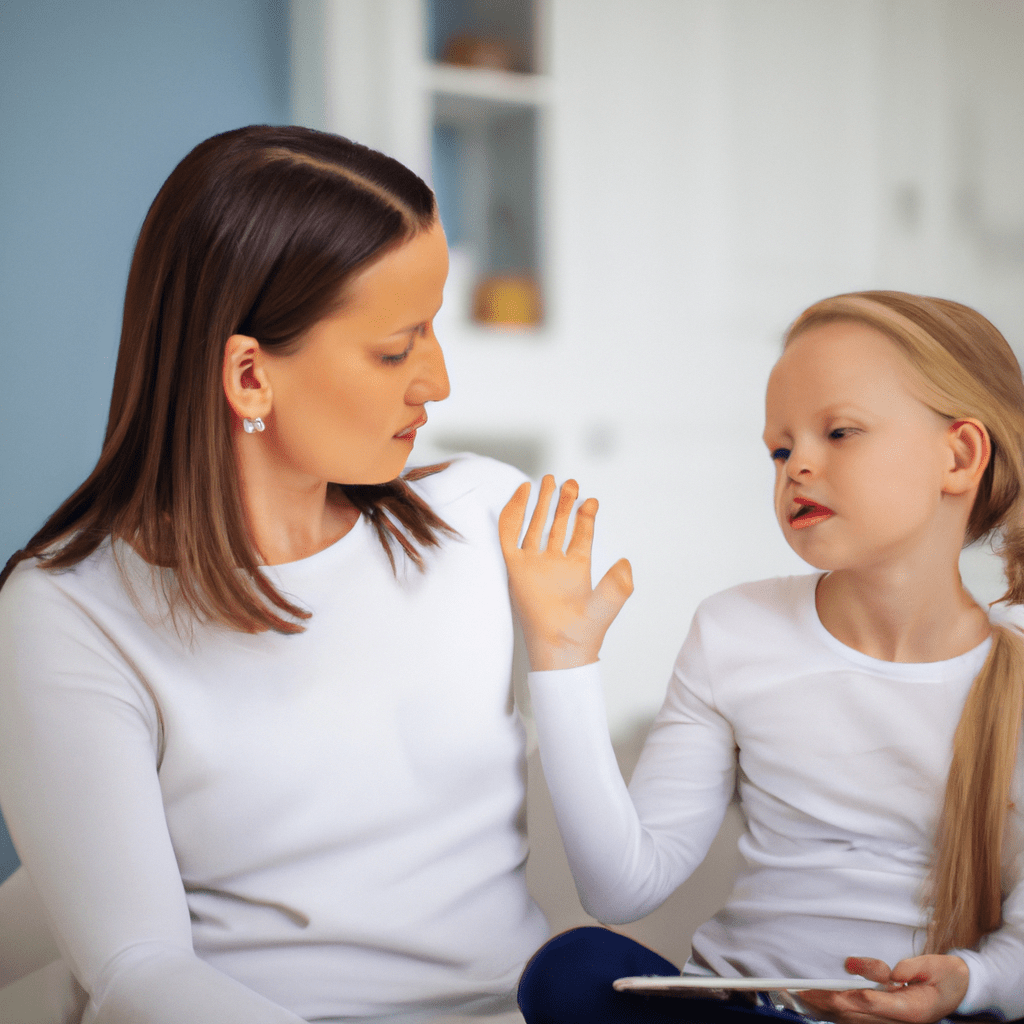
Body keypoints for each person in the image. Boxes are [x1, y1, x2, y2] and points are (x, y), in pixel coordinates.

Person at [0, 125, 549, 1024]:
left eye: (433, 330)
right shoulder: (71, 611)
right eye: (395, 347)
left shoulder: (484, 518)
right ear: (250, 375)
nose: (438, 382)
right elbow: (135, 963)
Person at [499, 291, 1024, 1024]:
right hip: (744, 1009)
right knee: (574, 968)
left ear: (959, 456)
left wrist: (966, 981)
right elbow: (621, 889)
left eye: (839, 432)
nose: (796, 466)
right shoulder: (733, 631)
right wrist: (561, 660)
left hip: (929, 1017)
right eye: (780, 449)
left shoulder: (1017, 671)